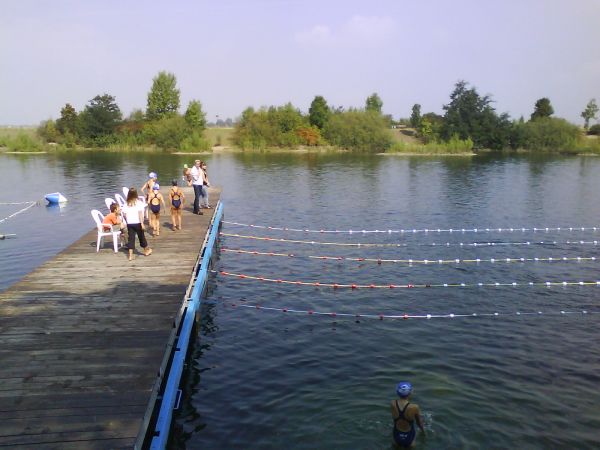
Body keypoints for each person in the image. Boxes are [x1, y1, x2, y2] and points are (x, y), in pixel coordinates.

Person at [391, 381, 425, 448]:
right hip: (409, 437)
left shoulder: (392, 403)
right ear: (410, 393)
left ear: (397, 392)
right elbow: (419, 423)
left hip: (396, 436)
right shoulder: (414, 407)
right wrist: (423, 432)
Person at [122, 187, 152, 261]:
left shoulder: (126, 203)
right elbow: (140, 214)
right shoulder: (138, 202)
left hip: (130, 223)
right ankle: (146, 251)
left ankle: (130, 256)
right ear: (136, 194)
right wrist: (142, 223)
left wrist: (127, 221)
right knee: (141, 237)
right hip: (137, 222)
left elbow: (124, 214)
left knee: (131, 239)